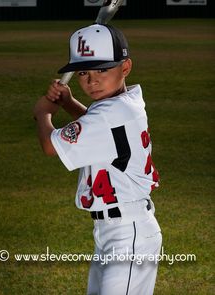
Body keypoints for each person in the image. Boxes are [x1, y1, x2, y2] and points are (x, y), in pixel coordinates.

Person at [33, 23, 162, 295]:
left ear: (125, 67)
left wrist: (43, 114)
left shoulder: (108, 113)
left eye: (102, 69)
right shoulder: (124, 103)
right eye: (83, 72)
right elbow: (99, 131)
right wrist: (68, 103)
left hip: (129, 234)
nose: (92, 81)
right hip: (115, 230)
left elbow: (49, 146)